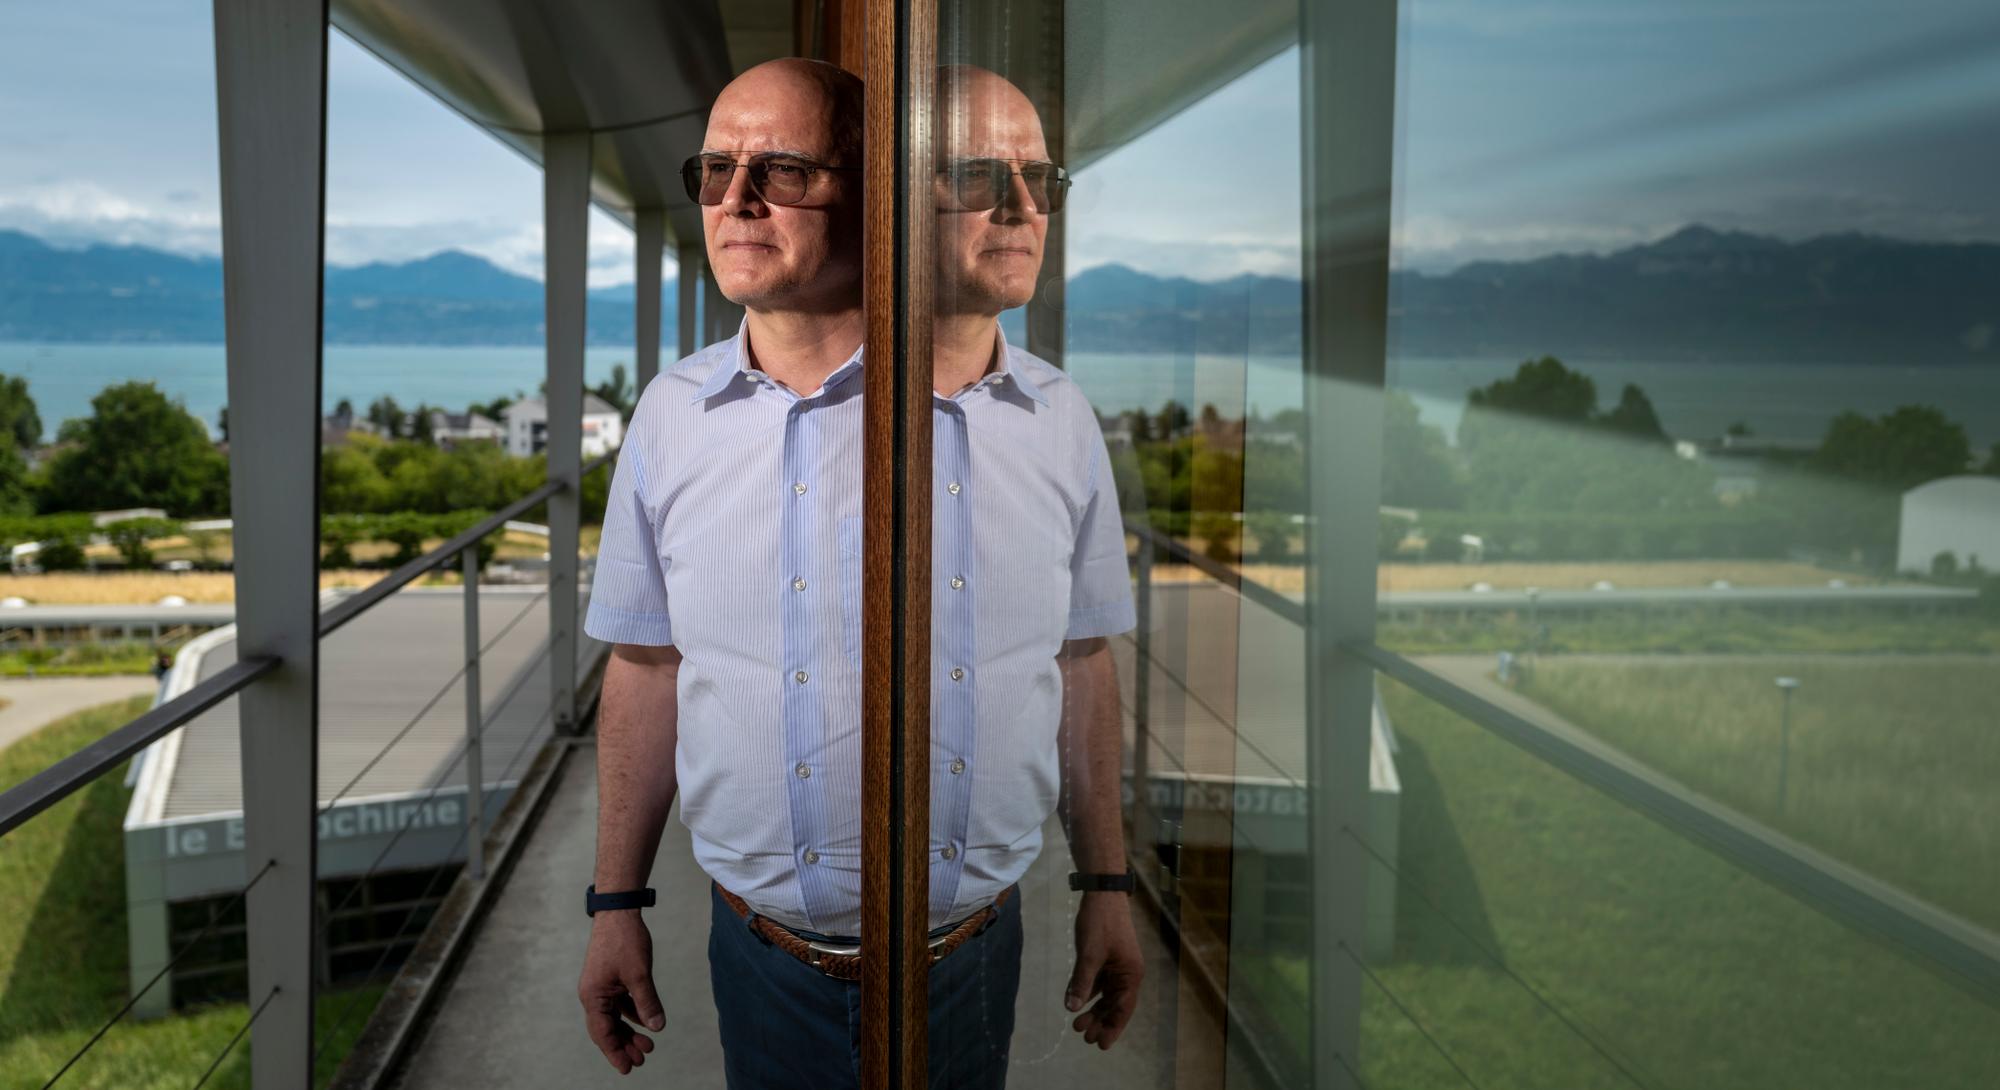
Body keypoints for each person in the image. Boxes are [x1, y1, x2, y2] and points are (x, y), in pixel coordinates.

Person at [576, 56, 1139, 1087]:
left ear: (867, 196)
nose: (737, 201)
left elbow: (1080, 658)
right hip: (758, 957)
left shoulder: (1054, 419)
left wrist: (1106, 878)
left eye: (782, 170)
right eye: (715, 171)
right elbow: (646, 665)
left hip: (970, 959)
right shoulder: (669, 416)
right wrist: (615, 903)